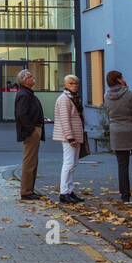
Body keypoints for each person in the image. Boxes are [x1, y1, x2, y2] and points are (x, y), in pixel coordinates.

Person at [102, 71, 132, 203]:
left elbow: (108, 114)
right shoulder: (131, 94)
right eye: (122, 77)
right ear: (118, 80)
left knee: (122, 166)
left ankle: (125, 197)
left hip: (117, 134)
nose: (124, 79)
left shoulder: (106, 96)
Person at [52, 74, 86, 204]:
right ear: (65, 85)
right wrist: (70, 137)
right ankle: (64, 192)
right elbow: (65, 120)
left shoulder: (74, 98)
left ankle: (70, 191)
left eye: (76, 83)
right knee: (68, 164)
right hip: (69, 137)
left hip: (76, 135)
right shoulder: (64, 99)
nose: (74, 86)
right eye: (71, 84)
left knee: (73, 164)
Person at [14, 69, 45, 201]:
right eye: (31, 77)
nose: (33, 78)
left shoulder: (27, 94)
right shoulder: (24, 95)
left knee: (32, 161)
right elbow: (21, 115)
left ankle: (29, 190)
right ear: (25, 80)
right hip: (31, 132)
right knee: (29, 162)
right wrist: (32, 129)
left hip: (33, 130)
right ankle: (26, 191)